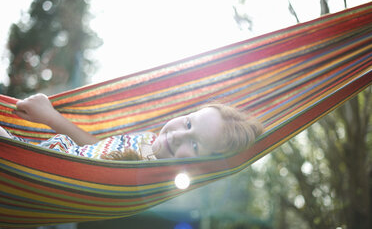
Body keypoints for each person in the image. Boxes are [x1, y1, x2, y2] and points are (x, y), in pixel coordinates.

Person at [0, 94, 263, 160]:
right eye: (188, 122)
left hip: (27, 162)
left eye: (195, 144)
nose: (178, 135)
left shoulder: (150, 176)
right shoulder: (147, 139)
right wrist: (49, 116)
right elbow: (94, 149)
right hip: (31, 154)